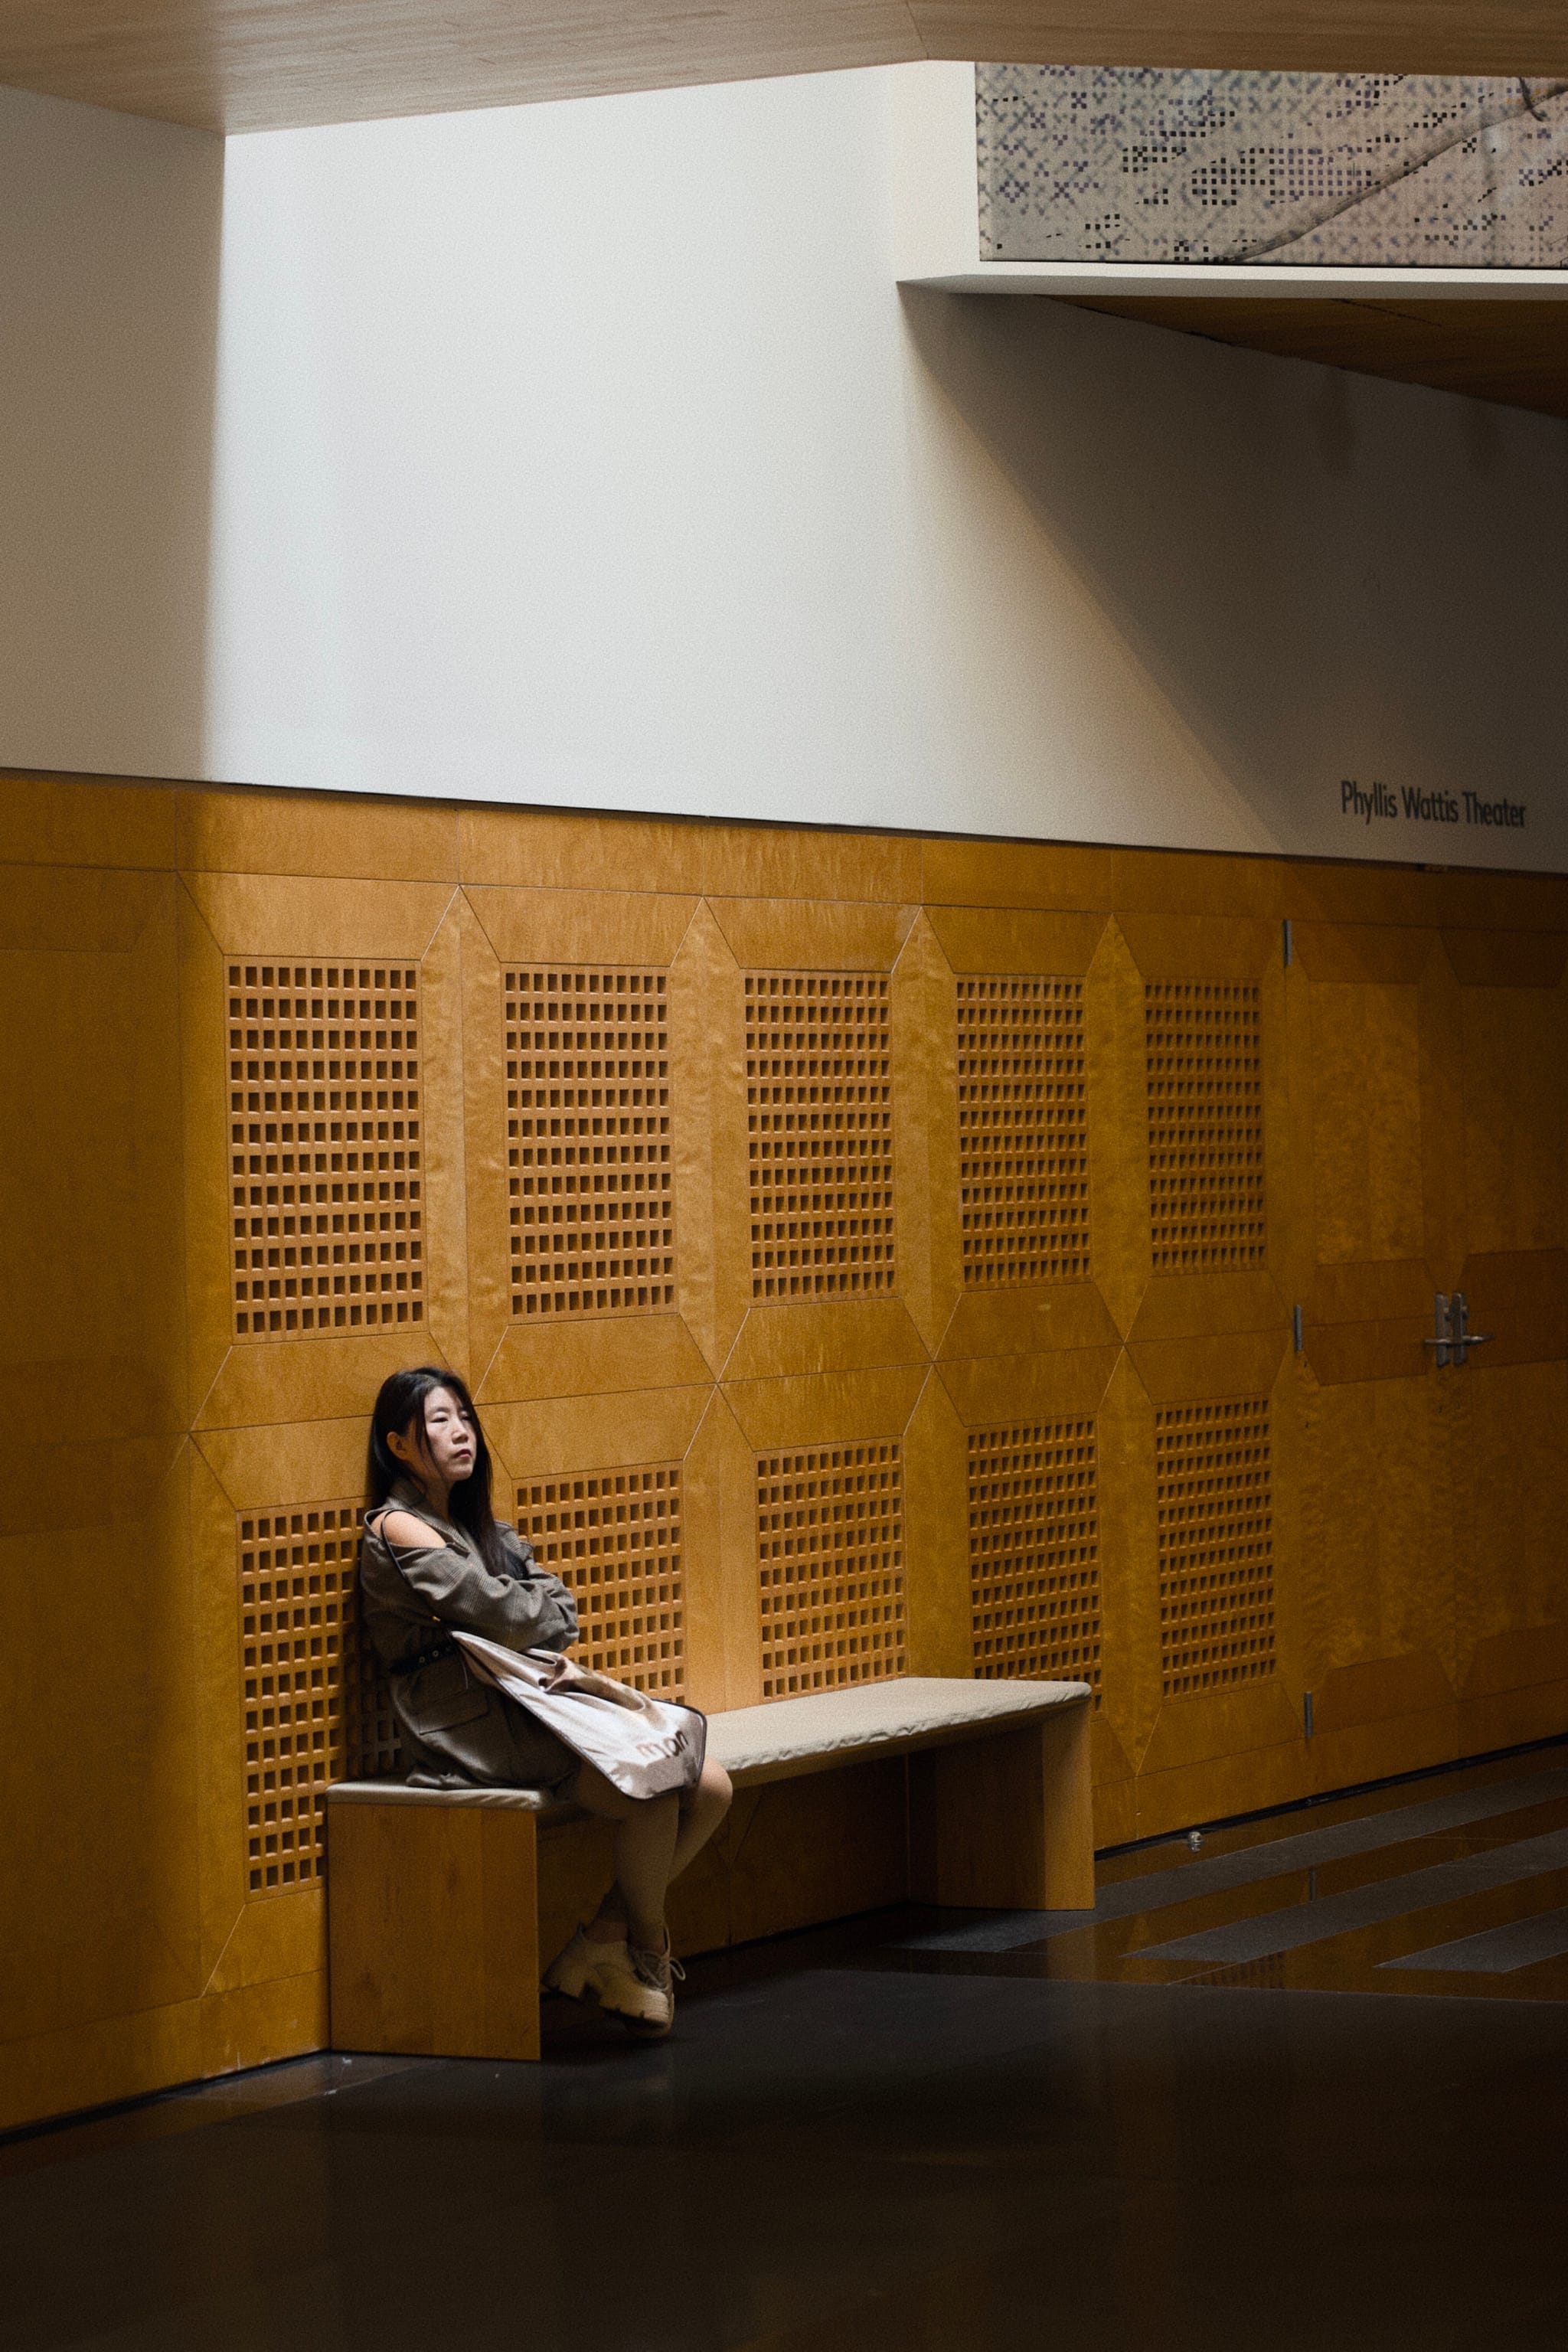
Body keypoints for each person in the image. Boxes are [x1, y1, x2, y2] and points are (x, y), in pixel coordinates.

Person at [358, 1365, 731, 2037]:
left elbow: (558, 1610)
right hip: (462, 1719)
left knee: (710, 1786)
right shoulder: (398, 1527)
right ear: (399, 1446)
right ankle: (643, 1949)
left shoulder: (480, 1528)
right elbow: (508, 1611)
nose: (460, 1432)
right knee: (651, 1793)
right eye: (438, 1421)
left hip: (520, 1701)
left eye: (464, 1417)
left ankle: (608, 1935)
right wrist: (523, 1611)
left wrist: (523, 1611)